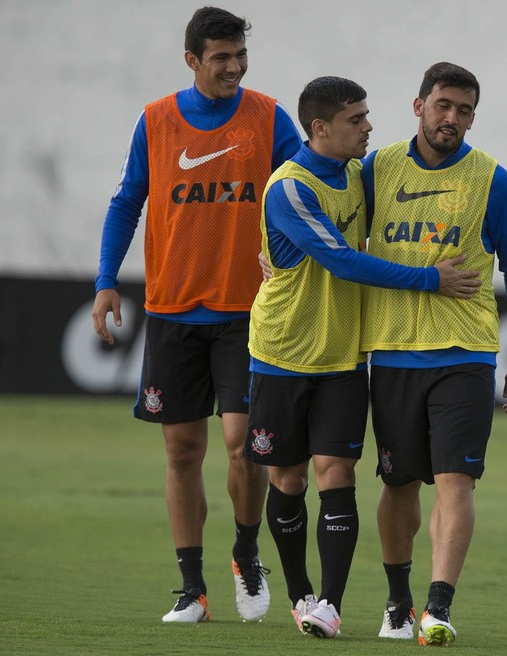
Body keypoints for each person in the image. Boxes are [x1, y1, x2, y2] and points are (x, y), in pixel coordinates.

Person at [244, 76, 481, 639]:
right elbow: (345, 262)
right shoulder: (289, 189)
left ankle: (329, 603)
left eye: (367, 115)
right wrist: (430, 279)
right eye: (357, 119)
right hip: (281, 351)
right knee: (288, 479)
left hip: (346, 356)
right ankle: (300, 591)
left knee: (338, 472)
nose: (369, 126)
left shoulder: (358, 175)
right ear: (320, 128)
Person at [91, 6, 304, 623]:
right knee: (182, 451)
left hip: (247, 314)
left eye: (241, 56)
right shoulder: (156, 121)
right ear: (192, 60)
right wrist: (107, 282)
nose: (234, 67)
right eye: (222, 58)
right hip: (173, 311)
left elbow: (304, 186)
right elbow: (127, 200)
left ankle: (245, 552)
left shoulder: (268, 117)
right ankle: (192, 588)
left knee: (242, 445)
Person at [360, 62, 507, 645]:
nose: (452, 119)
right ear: (418, 106)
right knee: (398, 485)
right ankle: (397, 601)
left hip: (465, 354)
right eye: (443, 106)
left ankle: (438, 608)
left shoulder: (492, 179)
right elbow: (335, 237)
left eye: (464, 111)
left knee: (456, 481)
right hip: (390, 351)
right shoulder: (375, 169)